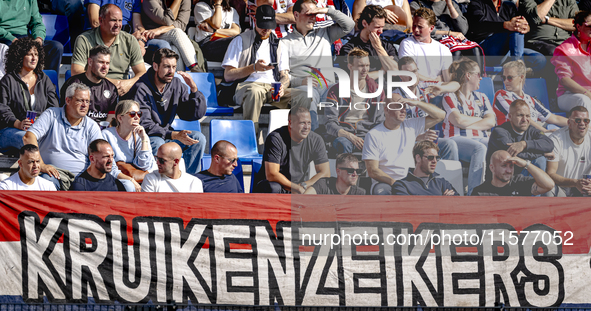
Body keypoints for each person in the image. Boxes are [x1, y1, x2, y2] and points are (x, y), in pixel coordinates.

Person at [126, 48, 207, 175]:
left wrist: (194, 90)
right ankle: (159, 181)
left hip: (166, 136)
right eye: (167, 67)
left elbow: (192, 115)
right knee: (158, 142)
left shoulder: (176, 84)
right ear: (155, 66)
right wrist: (173, 134)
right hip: (144, 138)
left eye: (174, 67)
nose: (171, 71)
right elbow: (144, 125)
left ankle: (189, 181)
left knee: (198, 139)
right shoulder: (141, 88)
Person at [282, 0, 355, 128]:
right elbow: (283, 75)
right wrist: (300, 81)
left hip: (328, 85)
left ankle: (343, 135)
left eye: (315, 14)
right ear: (296, 15)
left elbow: (350, 25)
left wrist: (325, 10)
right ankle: (312, 138)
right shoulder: (285, 42)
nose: (313, 17)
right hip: (305, 87)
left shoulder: (325, 33)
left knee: (345, 91)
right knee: (308, 93)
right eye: (309, 13)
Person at [222, 5, 291, 134]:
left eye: (269, 26)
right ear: (255, 21)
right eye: (262, 26)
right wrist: (253, 68)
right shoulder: (240, 40)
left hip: (272, 88)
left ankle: (302, 143)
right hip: (246, 86)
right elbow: (228, 75)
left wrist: (283, 86)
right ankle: (251, 138)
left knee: (304, 96)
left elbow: (285, 75)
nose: (266, 30)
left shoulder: (279, 44)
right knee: (255, 92)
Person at [363, 89, 446, 195]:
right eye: (398, 106)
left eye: (404, 106)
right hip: (386, 182)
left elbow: (441, 115)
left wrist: (416, 103)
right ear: (386, 110)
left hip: (411, 180)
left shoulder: (410, 126)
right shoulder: (374, 134)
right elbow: (372, 171)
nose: (403, 110)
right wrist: (396, 183)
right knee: (383, 193)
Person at [22, 83, 104, 190]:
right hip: (54, 175)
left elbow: (101, 153)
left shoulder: (92, 126)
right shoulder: (51, 114)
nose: (84, 105)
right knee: (47, 181)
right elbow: (28, 137)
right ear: (68, 100)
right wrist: (40, 164)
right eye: (80, 100)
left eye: (87, 101)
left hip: (82, 178)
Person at [441, 58, 495, 195]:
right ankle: (474, 193)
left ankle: (494, 190)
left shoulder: (482, 97)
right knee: (480, 148)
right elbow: (457, 120)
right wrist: (479, 119)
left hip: (480, 138)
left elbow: (491, 122)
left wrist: (466, 122)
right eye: (478, 74)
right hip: (456, 138)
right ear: (468, 76)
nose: (481, 78)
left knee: (496, 145)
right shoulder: (450, 96)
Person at [391, 56, 460, 161]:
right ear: (401, 75)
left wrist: (441, 89)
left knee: (449, 145)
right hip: (407, 142)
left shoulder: (425, 87)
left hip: (426, 141)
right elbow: (395, 131)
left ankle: (448, 176)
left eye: (414, 71)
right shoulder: (395, 95)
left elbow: (456, 84)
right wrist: (418, 137)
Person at [72, 4, 146, 96]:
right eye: (113, 20)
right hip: (94, 90)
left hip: (122, 90)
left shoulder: (130, 40)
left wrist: (128, 84)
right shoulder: (84, 39)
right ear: (101, 20)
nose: (118, 25)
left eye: (120, 20)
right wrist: (110, 83)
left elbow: (142, 73)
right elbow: (77, 72)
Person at [253, 106, 330, 193]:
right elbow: (272, 175)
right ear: (290, 123)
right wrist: (297, 188)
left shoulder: (316, 140)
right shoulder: (275, 138)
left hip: (299, 186)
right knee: (273, 187)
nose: (307, 127)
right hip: (275, 186)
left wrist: (305, 185)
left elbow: (325, 173)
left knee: (325, 185)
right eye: (302, 123)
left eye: (309, 123)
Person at [0, 37, 58, 152]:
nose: (34, 58)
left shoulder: (44, 79)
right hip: (11, 130)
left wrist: (42, 124)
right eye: (29, 54)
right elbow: (2, 108)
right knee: (27, 138)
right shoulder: (8, 80)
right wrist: (18, 123)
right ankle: (42, 166)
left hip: (38, 129)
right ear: (20, 56)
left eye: (36, 54)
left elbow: (54, 107)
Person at [324, 48, 385, 154]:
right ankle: (347, 170)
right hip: (344, 135)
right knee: (343, 144)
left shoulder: (376, 90)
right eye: (361, 66)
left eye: (367, 65)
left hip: (368, 133)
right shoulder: (336, 90)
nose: (365, 69)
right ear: (350, 66)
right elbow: (330, 123)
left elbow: (380, 121)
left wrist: (371, 137)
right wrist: (350, 136)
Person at [466, 0, 545, 71]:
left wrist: (526, 27)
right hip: (486, 48)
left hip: (510, 49)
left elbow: (517, 24)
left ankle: (518, 70)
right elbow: (479, 25)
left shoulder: (509, 6)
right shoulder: (476, 3)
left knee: (539, 60)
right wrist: (505, 25)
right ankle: (517, 70)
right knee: (515, 30)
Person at [486, 99, 554, 179]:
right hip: (501, 179)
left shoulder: (531, 130)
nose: (524, 119)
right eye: (520, 115)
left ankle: (535, 190)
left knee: (539, 160)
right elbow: (514, 156)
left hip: (521, 177)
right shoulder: (499, 132)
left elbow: (549, 144)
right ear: (510, 116)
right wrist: (542, 153)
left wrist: (524, 144)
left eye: (528, 116)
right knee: (540, 158)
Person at [493, 60, 567, 130]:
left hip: (530, 137)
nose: (505, 81)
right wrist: (543, 131)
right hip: (510, 137)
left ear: (521, 77)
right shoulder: (501, 95)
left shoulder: (530, 100)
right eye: (503, 78)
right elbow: (520, 118)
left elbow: (554, 118)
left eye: (509, 78)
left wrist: (574, 122)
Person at [0, 0, 64, 74]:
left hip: (25, 38)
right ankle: (13, 82)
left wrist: (38, 39)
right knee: (11, 49)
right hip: (5, 38)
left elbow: (37, 23)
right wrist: (12, 39)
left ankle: (49, 82)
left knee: (55, 47)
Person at [138, 0, 203, 72]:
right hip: (151, 36)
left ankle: (178, 79)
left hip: (170, 36)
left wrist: (160, 30)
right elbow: (167, 20)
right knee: (176, 32)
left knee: (174, 48)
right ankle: (196, 69)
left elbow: (182, 24)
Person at [61, 45, 119, 123]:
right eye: (101, 62)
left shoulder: (111, 88)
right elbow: (65, 114)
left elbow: (111, 117)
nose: (105, 66)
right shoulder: (73, 84)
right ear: (90, 62)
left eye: (107, 63)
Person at [102, 99, 157, 180]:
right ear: (120, 118)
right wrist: (130, 180)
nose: (136, 117)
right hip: (114, 177)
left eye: (139, 114)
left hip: (137, 177)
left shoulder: (141, 136)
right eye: (132, 114)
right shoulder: (106, 135)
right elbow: (108, 167)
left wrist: (144, 139)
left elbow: (144, 165)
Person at [336, 5, 399, 76]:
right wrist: (382, 71)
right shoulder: (349, 49)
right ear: (364, 23)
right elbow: (357, 78)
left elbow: (396, 72)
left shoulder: (386, 46)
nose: (381, 31)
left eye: (382, 27)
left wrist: (379, 48)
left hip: (387, 86)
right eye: (377, 27)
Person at [551, 11, 591, 113]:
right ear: (578, 26)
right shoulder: (565, 49)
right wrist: (587, 93)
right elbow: (565, 80)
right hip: (569, 95)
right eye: (589, 25)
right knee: (584, 101)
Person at [546, 106, 591, 196]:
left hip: (584, 189)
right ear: (569, 123)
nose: (582, 123)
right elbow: (550, 173)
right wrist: (575, 183)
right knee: (548, 189)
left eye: (586, 121)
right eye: (578, 120)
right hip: (561, 187)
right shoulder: (556, 139)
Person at [398, 8, 453, 82]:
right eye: (414, 25)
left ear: (431, 28)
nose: (416, 30)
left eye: (420, 27)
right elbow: (409, 74)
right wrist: (433, 81)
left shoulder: (443, 49)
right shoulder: (407, 44)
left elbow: (447, 79)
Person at [472, 150, 554, 196]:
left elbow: (549, 185)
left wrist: (526, 164)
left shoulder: (520, 183)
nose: (509, 171)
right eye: (504, 166)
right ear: (492, 168)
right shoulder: (480, 192)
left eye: (511, 166)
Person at [391, 140, 458, 195]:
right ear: (418, 158)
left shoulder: (442, 183)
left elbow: (460, 204)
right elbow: (408, 209)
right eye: (430, 157)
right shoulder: (402, 185)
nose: (434, 161)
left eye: (437, 158)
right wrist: (442, 202)